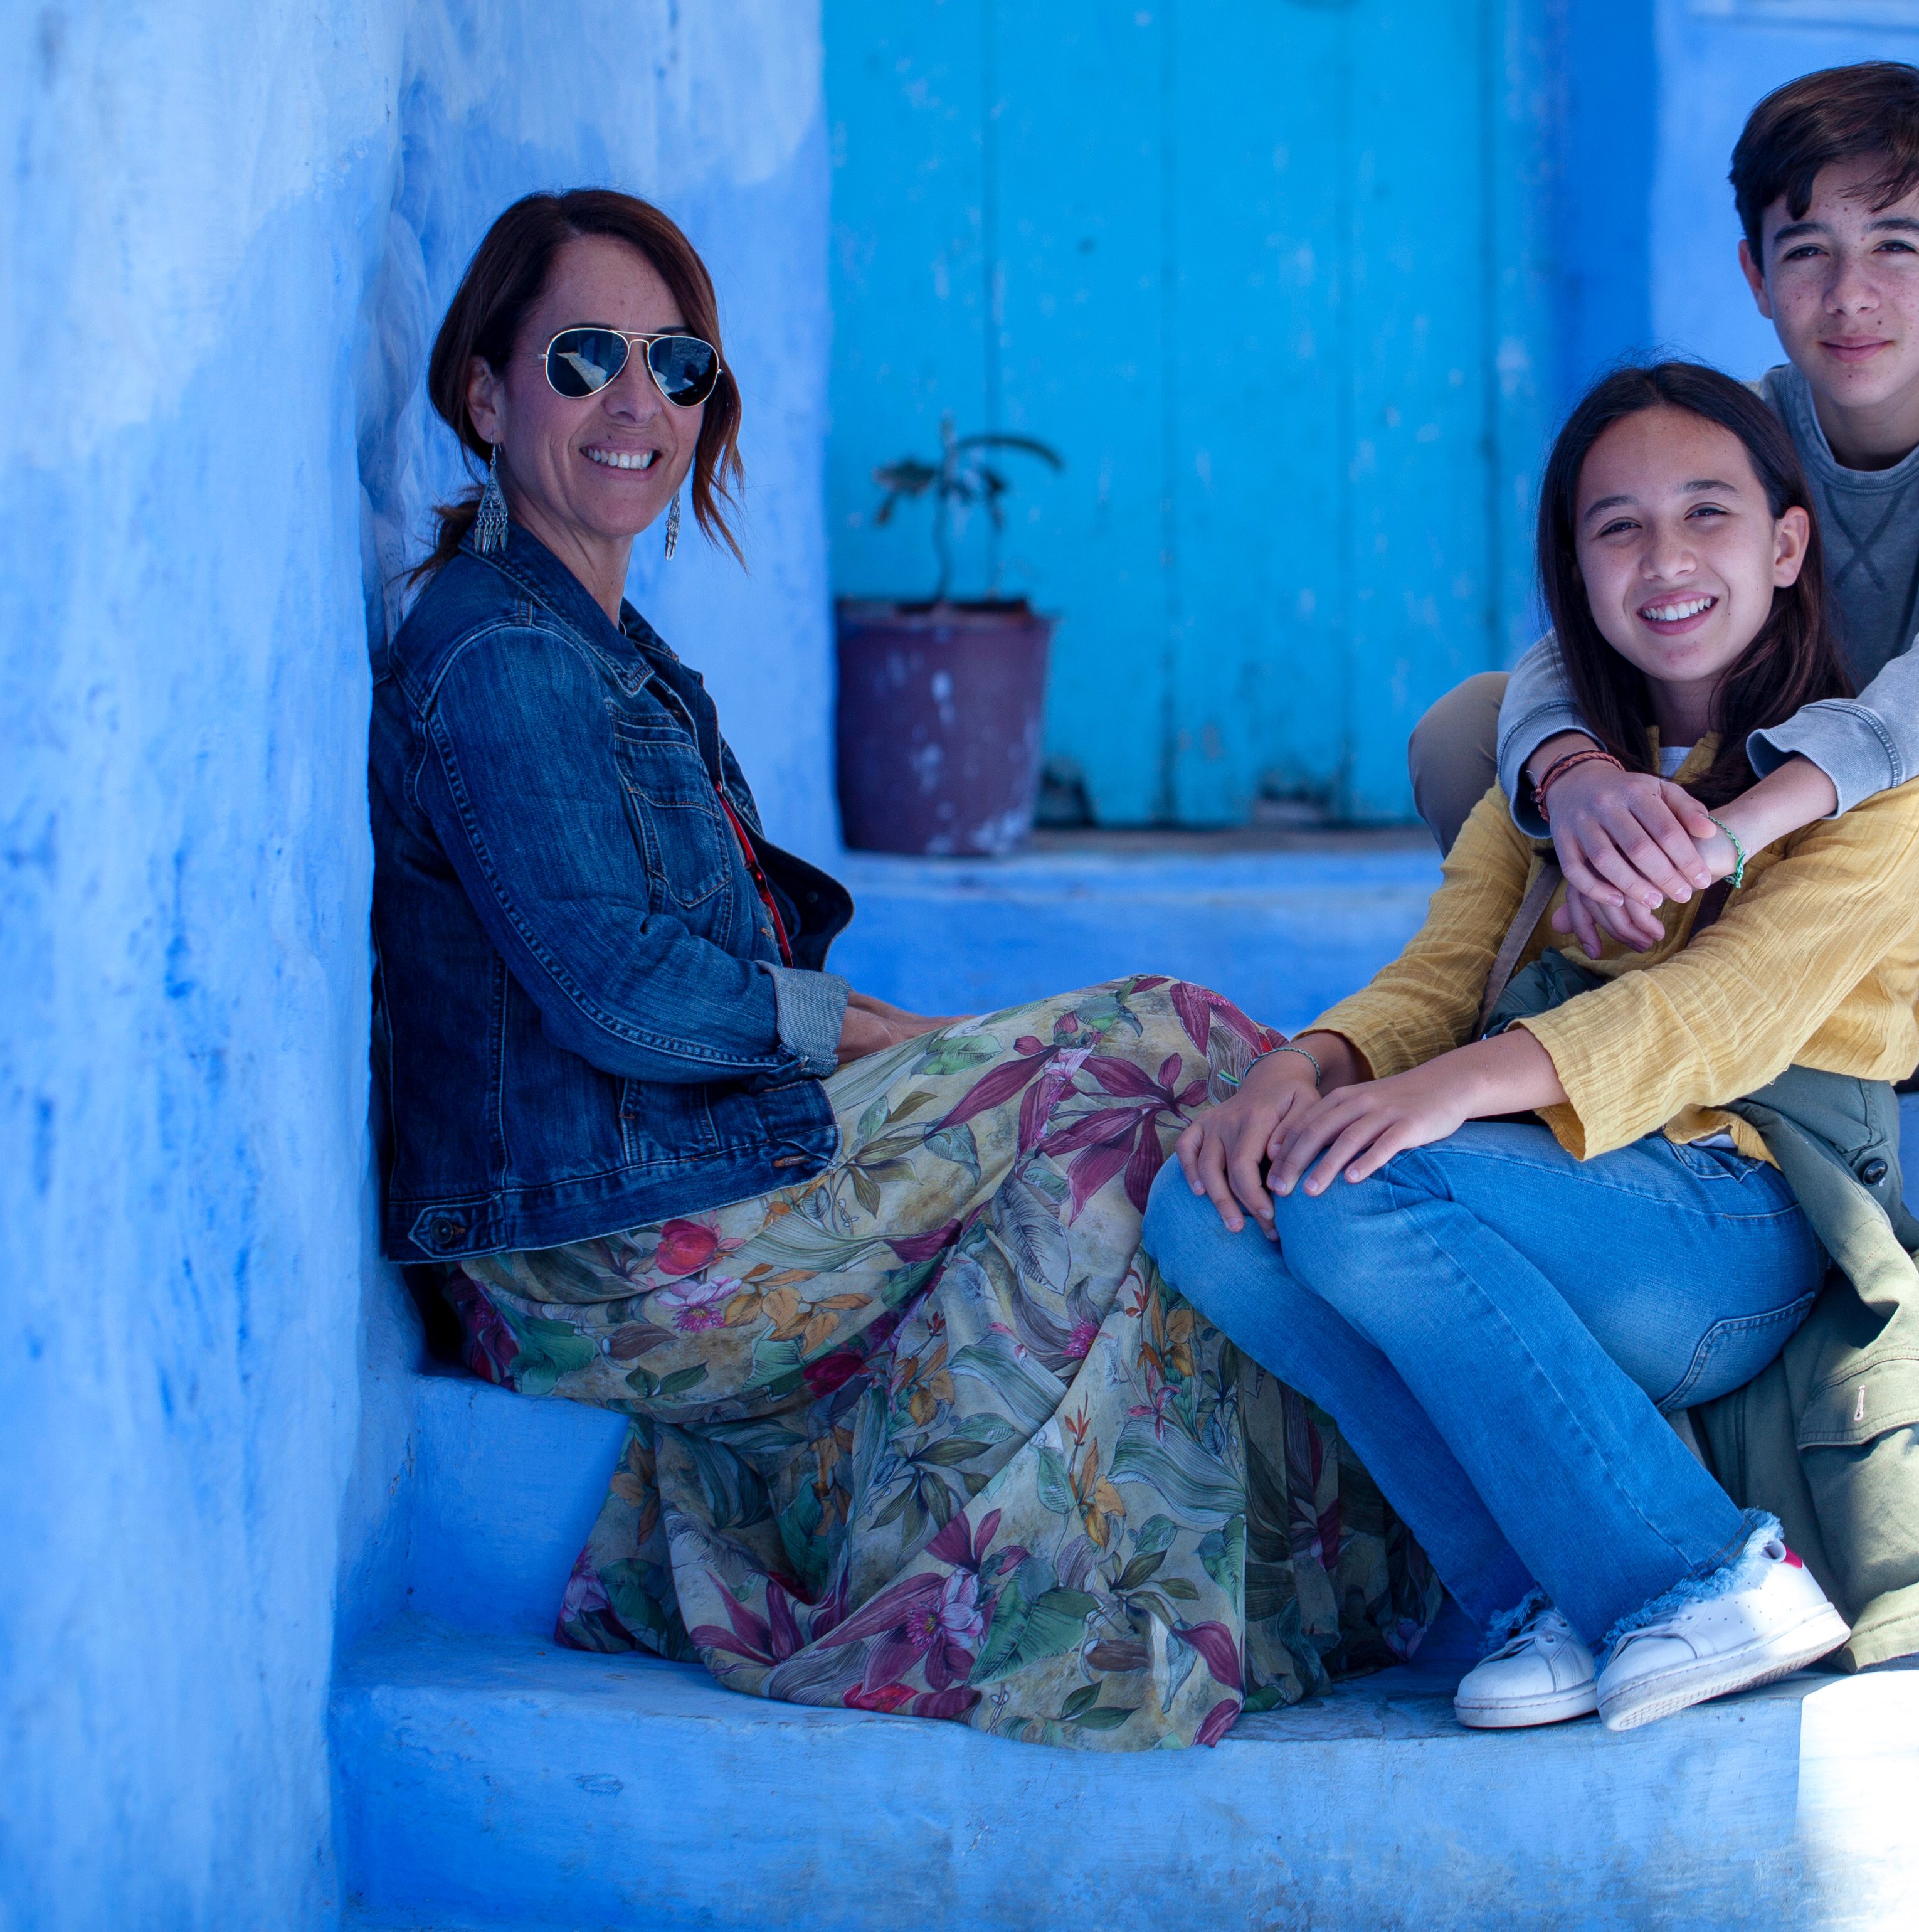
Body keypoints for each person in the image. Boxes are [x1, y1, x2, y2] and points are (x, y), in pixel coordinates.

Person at [369, 189, 1429, 1751]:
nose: (637, 405)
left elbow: (723, 972)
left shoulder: (614, 649)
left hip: (677, 1189)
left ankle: (1319, 1527)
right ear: (485, 390)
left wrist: (931, 1048)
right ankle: (1260, 1551)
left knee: (1173, 1074)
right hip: (600, 1256)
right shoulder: (503, 654)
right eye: (586, 357)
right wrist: (917, 1043)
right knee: (1162, 1047)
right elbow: (625, 988)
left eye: (679, 368)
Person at [1150, 361, 1919, 1734]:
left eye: (1707, 516)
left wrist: (1439, 1098)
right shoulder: (1546, 786)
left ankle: (1700, 1578)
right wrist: (1297, 1072)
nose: (1665, 562)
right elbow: (1433, 984)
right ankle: (1538, 1599)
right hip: (1547, 1198)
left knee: (1369, 1180)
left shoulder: (1874, 803)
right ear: (1574, 571)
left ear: (1786, 545)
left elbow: (1706, 1015)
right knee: (1207, 1206)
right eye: (1618, 528)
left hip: (1744, 1219)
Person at [1409, 61, 1919, 1344]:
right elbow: (1580, 631)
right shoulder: (1746, 437)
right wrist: (1578, 775)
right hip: (1787, 961)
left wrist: (1732, 829)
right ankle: (1638, 1081)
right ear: (1757, 279)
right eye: (1805, 251)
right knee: (1473, 727)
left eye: (1896, 244)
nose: (1851, 293)